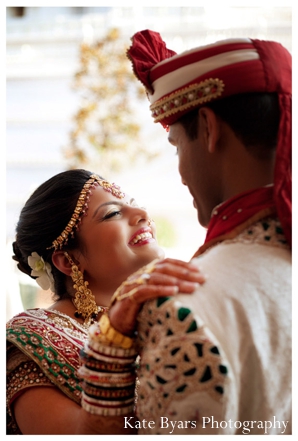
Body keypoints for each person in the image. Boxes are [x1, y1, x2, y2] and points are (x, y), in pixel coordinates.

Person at [91, 32, 291, 434]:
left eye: (177, 146)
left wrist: (107, 349)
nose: (180, 171)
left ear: (208, 126)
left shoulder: (182, 308)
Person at [6, 168, 206, 434]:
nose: (143, 215)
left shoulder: (162, 314)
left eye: (134, 205)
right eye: (113, 213)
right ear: (68, 261)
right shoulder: (33, 340)